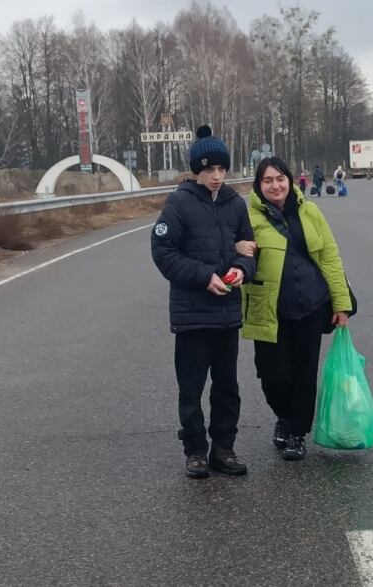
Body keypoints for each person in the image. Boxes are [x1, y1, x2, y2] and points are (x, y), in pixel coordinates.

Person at [151, 125, 256, 479]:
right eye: (209, 169)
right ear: (197, 169)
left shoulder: (235, 204)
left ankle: (223, 448)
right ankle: (195, 450)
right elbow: (163, 253)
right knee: (192, 388)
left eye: (222, 169)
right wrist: (204, 275)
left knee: (227, 387)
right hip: (193, 316)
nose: (216, 176)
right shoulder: (179, 203)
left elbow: (249, 248)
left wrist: (242, 268)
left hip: (227, 315)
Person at [235, 157, 353, 461]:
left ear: (289, 180)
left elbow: (330, 257)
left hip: (311, 306)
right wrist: (237, 250)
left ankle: (297, 433)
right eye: (268, 180)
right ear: (258, 186)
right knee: (272, 375)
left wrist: (341, 303)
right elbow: (233, 254)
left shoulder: (310, 211)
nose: (275, 185)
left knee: (304, 373)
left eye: (280, 178)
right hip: (268, 308)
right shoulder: (247, 217)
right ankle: (285, 416)